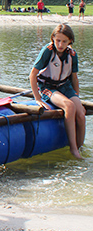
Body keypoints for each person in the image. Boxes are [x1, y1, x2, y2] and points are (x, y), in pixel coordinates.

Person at [29, 24, 85, 160]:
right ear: (53, 38)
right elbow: (32, 75)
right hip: (48, 87)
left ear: (70, 41)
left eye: (64, 41)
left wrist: (76, 96)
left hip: (65, 87)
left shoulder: (72, 54)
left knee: (81, 114)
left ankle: (80, 147)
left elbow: (74, 78)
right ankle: (73, 150)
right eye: (58, 40)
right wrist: (38, 98)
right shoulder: (47, 51)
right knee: (69, 106)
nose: (60, 44)